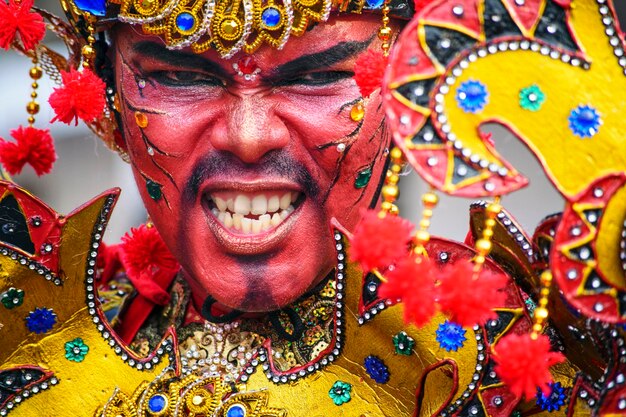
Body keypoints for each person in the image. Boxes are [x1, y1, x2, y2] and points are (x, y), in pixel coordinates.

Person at [1, 0, 618, 415]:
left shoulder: (489, 358)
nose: (248, 136)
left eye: (315, 78)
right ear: (107, 99)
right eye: (184, 79)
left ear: (401, 97)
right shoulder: (34, 326)